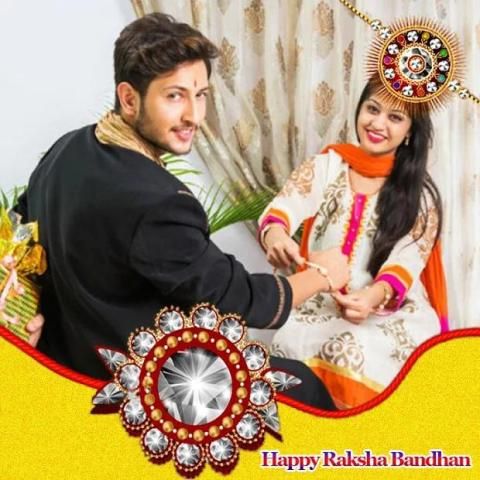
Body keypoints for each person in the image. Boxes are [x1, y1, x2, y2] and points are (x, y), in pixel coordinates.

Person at [14, 13, 349, 409]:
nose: (194, 115)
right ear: (129, 98)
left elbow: (18, 237)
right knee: (306, 388)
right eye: (175, 96)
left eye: (201, 94)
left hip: (64, 363)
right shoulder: (159, 202)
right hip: (139, 383)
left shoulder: (66, 149)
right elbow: (237, 299)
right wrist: (323, 274)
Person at [258, 78, 448, 409]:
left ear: (409, 132)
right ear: (359, 109)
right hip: (319, 305)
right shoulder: (328, 165)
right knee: (288, 345)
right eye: (372, 109)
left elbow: (406, 262)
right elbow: (285, 207)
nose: (378, 124)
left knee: (348, 348)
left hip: (386, 313)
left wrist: (372, 298)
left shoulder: (420, 196)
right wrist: (276, 236)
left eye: (395, 117)